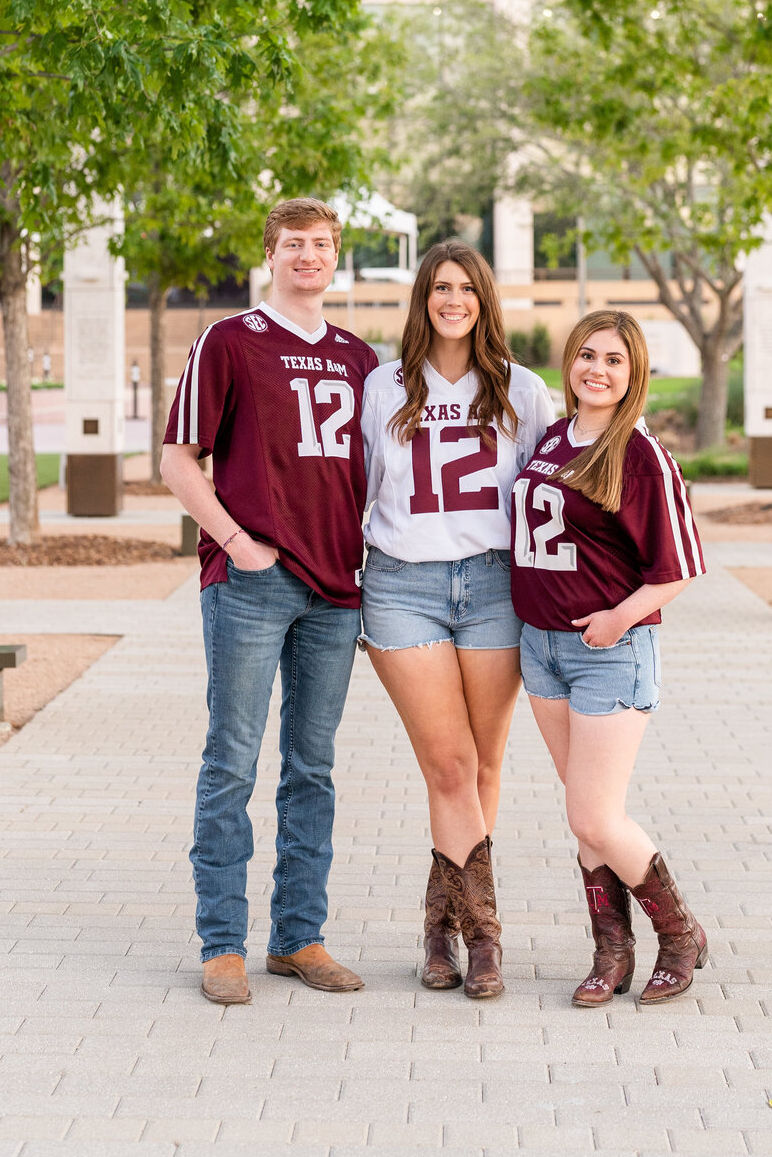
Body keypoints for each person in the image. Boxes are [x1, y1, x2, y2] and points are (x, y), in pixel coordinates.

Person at [160, 198, 378, 1006]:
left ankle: (299, 937)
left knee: (312, 769)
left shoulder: (362, 357)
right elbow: (179, 458)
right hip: (253, 581)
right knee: (231, 762)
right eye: (294, 245)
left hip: (336, 587)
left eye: (322, 245)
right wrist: (238, 541)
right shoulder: (230, 340)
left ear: (336, 258)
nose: (309, 257)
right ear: (272, 254)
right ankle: (223, 943)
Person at [361, 241, 552, 998]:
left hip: (496, 584)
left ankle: (441, 928)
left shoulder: (522, 389)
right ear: (423, 297)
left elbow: (550, 495)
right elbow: (359, 492)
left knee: (483, 764)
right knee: (447, 765)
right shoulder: (383, 389)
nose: (452, 299)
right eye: (440, 287)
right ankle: (487, 941)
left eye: (466, 288)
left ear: (484, 301)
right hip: (403, 585)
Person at [510, 308, 708, 1007]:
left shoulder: (639, 452)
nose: (597, 369)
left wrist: (616, 619)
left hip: (608, 652)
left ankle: (679, 933)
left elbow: (679, 565)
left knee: (596, 816)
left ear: (634, 375)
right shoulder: (552, 437)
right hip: (541, 648)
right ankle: (611, 953)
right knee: (583, 811)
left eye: (614, 361)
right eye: (587, 355)